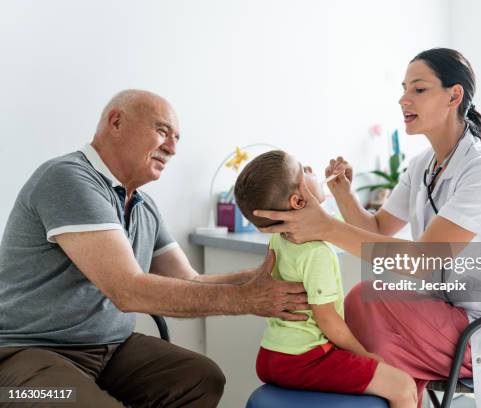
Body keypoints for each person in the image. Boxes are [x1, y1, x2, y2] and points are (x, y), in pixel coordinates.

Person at [253, 48, 481, 407]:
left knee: (369, 303)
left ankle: (394, 392)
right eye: (403, 88)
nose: (403, 98)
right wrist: (344, 195)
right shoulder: (423, 165)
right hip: (450, 315)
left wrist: (326, 227)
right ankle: (397, 393)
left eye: (419, 89)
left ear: (453, 96)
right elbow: (379, 226)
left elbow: (424, 260)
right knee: (366, 301)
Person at [0, 90, 308, 408]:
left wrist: (255, 277)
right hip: (23, 355)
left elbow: (190, 281)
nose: (172, 148)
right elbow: (127, 290)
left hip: (110, 351)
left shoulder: (144, 207)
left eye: (176, 138)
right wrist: (246, 299)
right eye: (162, 131)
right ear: (116, 121)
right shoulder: (68, 179)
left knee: (200, 378)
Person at [234, 150, 417, 408]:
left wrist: (343, 193)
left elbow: (336, 222)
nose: (309, 168)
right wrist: (365, 355)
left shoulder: (280, 238)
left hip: (270, 356)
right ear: (297, 202)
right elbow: (327, 319)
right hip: (305, 358)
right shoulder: (316, 251)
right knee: (403, 386)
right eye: (303, 171)